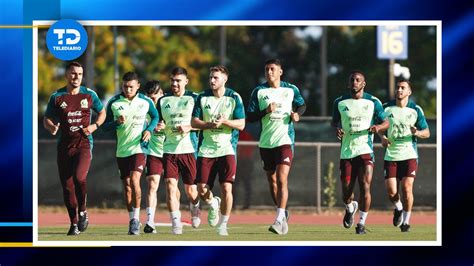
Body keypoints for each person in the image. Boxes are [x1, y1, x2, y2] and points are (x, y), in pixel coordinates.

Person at [43, 61, 106, 235]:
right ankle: (73, 224)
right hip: (64, 146)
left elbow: (102, 112)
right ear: (66, 75)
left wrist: (95, 126)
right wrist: (51, 127)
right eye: (73, 73)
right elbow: (46, 118)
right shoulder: (57, 96)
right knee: (67, 186)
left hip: (84, 143)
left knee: (79, 177)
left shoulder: (89, 95)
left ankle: (83, 211)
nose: (76, 77)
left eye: (79, 74)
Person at [247, 59, 306, 235]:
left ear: (280, 71)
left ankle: (279, 219)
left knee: (281, 179)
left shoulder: (291, 89)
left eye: (273, 69)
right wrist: (265, 111)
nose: (269, 72)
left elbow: (302, 105)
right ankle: (283, 213)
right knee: (272, 181)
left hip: (285, 140)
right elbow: (250, 117)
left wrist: (297, 115)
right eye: (266, 69)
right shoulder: (258, 91)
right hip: (266, 143)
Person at [331, 70, 389, 234]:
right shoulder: (340, 102)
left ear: (363, 84)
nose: (355, 82)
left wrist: (378, 127)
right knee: (346, 191)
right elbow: (334, 123)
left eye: (358, 80)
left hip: (365, 150)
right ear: (348, 84)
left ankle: (361, 224)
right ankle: (350, 208)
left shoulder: (372, 101)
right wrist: (338, 129)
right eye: (352, 80)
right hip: (347, 152)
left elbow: (386, 122)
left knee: (365, 186)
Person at [191, 65, 245, 236]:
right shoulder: (202, 97)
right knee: (201, 189)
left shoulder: (234, 97)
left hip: (227, 149)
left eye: (216, 77)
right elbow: (194, 122)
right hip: (206, 150)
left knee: (226, 188)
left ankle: (224, 225)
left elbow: (241, 124)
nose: (212, 80)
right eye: (211, 77)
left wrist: (225, 122)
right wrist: (209, 125)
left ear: (224, 79)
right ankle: (213, 203)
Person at [103, 71, 159, 235]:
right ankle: (131, 220)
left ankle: (136, 219)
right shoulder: (114, 102)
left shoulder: (145, 101)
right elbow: (104, 126)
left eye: (131, 87)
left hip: (139, 148)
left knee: (135, 180)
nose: (128, 90)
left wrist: (149, 130)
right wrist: (116, 122)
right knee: (127, 187)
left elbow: (155, 117)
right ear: (122, 86)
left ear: (138, 86)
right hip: (122, 150)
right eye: (126, 87)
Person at [378, 79, 430, 232]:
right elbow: (379, 127)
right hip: (391, 155)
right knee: (392, 191)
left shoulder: (415, 109)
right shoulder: (386, 108)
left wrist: (417, 132)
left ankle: (406, 222)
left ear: (409, 92)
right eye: (398, 88)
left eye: (403, 88)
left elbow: (427, 132)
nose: (399, 90)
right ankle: (398, 207)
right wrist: (382, 138)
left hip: (409, 154)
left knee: (407, 188)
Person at [157, 67, 201, 235]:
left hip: (188, 150)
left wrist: (189, 127)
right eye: (172, 80)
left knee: (191, 190)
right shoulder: (163, 101)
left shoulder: (195, 99)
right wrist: (159, 126)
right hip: (169, 150)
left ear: (186, 82)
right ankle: (176, 222)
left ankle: (195, 207)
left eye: (178, 80)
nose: (175, 83)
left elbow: (203, 123)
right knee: (170, 185)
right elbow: (159, 122)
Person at [141, 80, 166, 234]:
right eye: (150, 97)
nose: (153, 101)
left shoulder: (169, 104)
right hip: (152, 151)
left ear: (162, 94)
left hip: (171, 150)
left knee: (175, 188)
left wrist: (166, 126)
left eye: (155, 97)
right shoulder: (144, 107)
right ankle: (150, 221)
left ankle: (179, 217)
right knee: (152, 185)